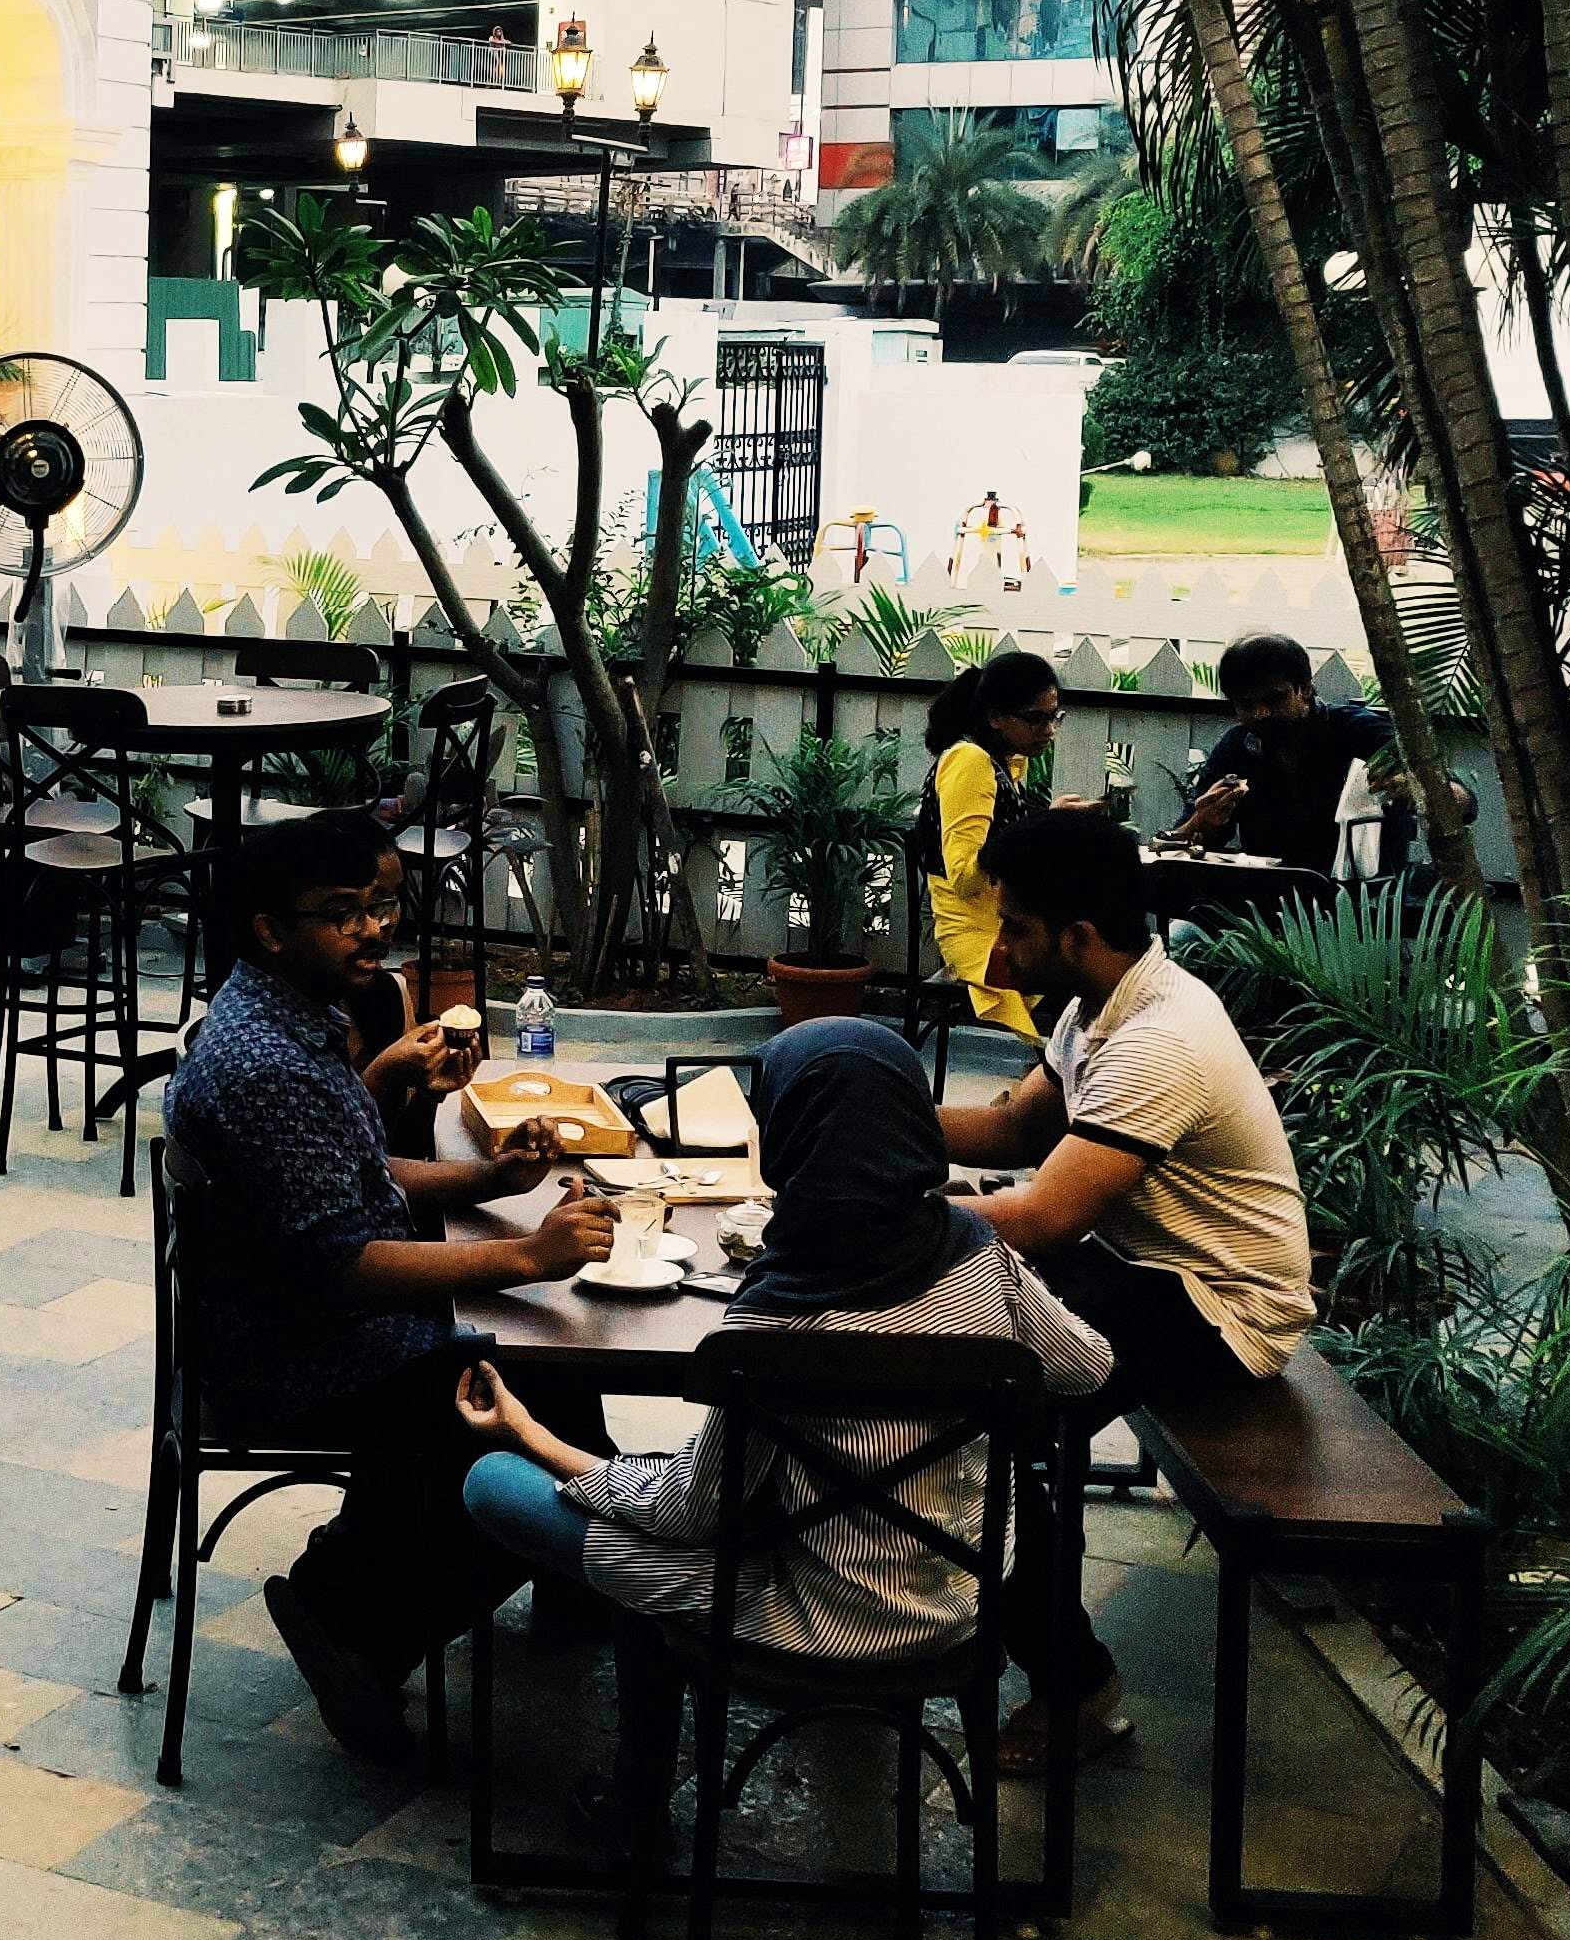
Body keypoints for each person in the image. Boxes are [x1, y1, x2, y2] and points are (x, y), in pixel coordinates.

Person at [164, 811, 615, 1764]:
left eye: (381, 906)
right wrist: (526, 1257)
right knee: (526, 1407)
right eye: (343, 913)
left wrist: (488, 1183)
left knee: (563, 1380)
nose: (372, 930)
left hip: (298, 1317)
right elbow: (345, 1265)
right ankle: (353, 1621)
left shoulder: (291, 1013)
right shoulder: (267, 1065)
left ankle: (541, 1585)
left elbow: (357, 1178)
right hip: (291, 1350)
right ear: (268, 928)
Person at [458, 1019, 1113, 1674]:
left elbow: (691, 1512)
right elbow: (1089, 1367)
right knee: (665, 1490)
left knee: (499, 1482)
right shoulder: (983, 1259)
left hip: (817, 1618)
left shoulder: (772, 1324)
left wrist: (526, 1432)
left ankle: (640, 1762)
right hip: (966, 1603)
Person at [941, 805, 1316, 1767]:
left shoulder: (1160, 1040)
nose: (998, 956)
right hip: (1139, 1270)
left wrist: (855, 1208)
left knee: (978, 1420)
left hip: (1218, 1310)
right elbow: (1015, 1136)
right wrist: (857, 1110)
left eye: (1014, 928)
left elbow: (1039, 1217)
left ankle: (1080, 1693)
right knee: (942, 1351)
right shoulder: (1100, 1006)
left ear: (1078, 935)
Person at [915, 649, 1063, 1036]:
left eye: (1054, 717)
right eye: (1035, 718)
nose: (1048, 730)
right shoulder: (970, 761)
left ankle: (1052, 1076)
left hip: (1006, 919)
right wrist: (1042, 829)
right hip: (972, 931)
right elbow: (964, 878)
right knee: (1075, 973)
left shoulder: (1009, 763)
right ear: (995, 717)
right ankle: (1053, 1078)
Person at [1172, 636, 1381, 874]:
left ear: (1304, 688)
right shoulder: (1237, 747)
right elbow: (1180, 842)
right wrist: (1203, 820)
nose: (1261, 713)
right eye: (1246, 704)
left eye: (1274, 699)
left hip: (1360, 901)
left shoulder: (1361, 733)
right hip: (1264, 897)